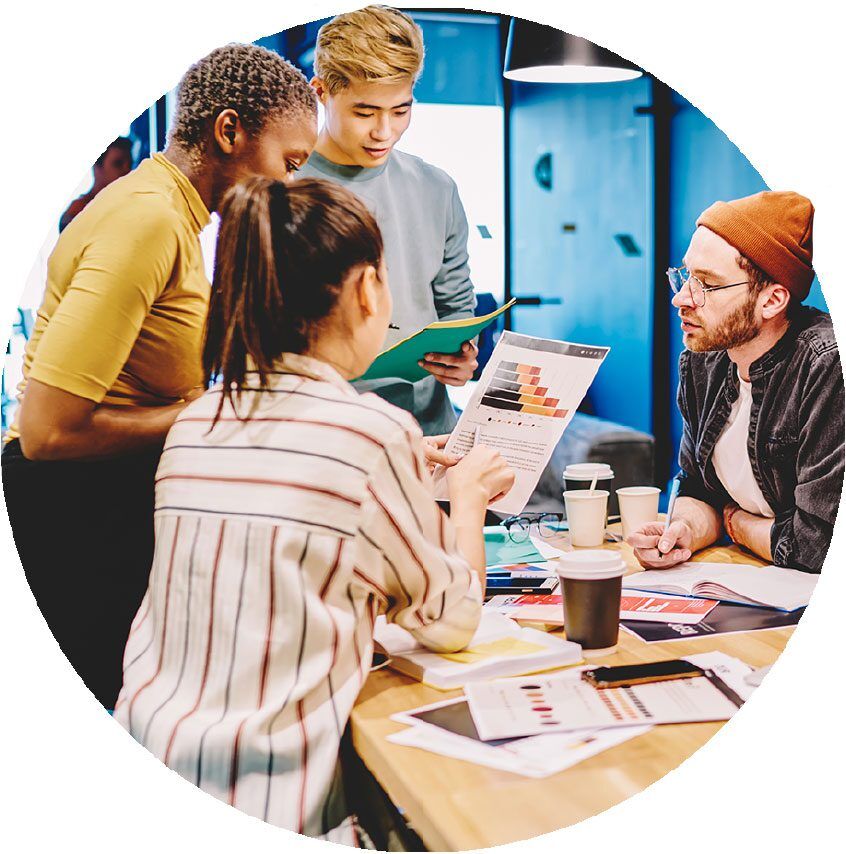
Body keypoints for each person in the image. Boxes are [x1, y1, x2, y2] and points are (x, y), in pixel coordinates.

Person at [114, 176, 514, 843]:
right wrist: (467, 501)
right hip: (271, 799)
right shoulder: (368, 433)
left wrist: (401, 458)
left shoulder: (199, 420)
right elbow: (453, 620)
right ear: (366, 290)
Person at [2, 44, 318, 708]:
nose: (289, 185)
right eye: (288, 162)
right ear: (229, 131)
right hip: (76, 516)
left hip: (107, 504)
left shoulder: (175, 216)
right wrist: (221, 411)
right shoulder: (146, 219)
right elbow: (47, 432)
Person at [628, 191, 843, 573]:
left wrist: (736, 525)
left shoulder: (826, 366)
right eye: (685, 276)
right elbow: (699, 491)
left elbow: (819, 544)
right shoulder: (702, 362)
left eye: (707, 285)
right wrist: (682, 530)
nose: (681, 298)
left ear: (772, 300)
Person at [299, 5, 479, 440]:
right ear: (320, 92)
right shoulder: (282, 191)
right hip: (322, 440)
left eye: (400, 111)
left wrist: (462, 362)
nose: (384, 130)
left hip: (428, 437)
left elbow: (457, 311)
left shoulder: (437, 188)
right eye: (365, 112)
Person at [59, 136, 134, 231]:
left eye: (130, 164)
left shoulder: (129, 205)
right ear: (97, 168)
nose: (127, 170)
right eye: (118, 164)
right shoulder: (78, 211)